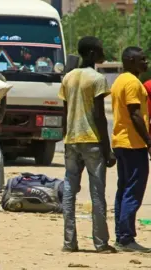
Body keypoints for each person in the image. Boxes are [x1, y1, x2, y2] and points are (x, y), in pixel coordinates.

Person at [58, 36, 116, 254]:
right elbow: (100, 117)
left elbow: (65, 113)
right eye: (101, 50)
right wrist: (107, 149)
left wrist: (66, 138)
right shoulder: (97, 79)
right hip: (91, 141)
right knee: (97, 193)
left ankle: (69, 242)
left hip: (71, 141)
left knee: (69, 192)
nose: (103, 53)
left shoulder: (68, 78)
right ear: (92, 53)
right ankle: (101, 243)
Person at [111, 46, 150, 252]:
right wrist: (149, 142)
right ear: (131, 61)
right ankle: (126, 238)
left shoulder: (119, 80)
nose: (146, 63)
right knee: (133, 191)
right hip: (133, 144)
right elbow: (135, 114)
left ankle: (121, 235)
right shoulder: (133, 83)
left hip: (120, 142)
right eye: (142, 60)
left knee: (123, 190)